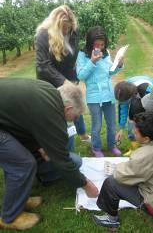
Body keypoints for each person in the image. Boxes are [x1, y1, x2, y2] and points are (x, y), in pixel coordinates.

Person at [0, 78, 98, 230]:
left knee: (19, 159)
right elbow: (63, 161)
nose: (75, 119)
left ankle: (20, 199)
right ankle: (9, 217)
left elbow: (23, 121)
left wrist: (38, 146)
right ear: (68, 109)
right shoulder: (51, 114)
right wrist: (86, 184)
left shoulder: (50, 91)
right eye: (76, 116)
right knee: (23, 164)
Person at [93, 112, 153, 229]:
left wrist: (117, 167)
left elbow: (120, 175)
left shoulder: (142, 157)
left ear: (146, 138)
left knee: (111, 183)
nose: (133, 131)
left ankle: (111, 219)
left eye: (135, 130)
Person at [35, 4, 90, 153]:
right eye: (63, 28)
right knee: (57, 119)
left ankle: (69, 153)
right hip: (50, 84)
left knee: (71, 114)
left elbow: (71, 59)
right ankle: (58, 152)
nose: (66, 31)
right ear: (54, 25)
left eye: (69, 28)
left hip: (68, 80)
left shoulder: (73, 32)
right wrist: (64, 82)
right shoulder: (43, 35)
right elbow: (43, 66)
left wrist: (73, 80)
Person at [76, 26, 123, 157]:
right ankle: (96, 148)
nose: (99, 47)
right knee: (96, 126)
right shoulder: (82, 55)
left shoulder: (106, 53)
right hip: (94, 96)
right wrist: (92, 61)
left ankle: (111, 145)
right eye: (96, 44)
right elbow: (80, 75)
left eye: (102, 44)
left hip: (108, 94)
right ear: (90, 43)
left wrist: (118, 65)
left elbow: (110, 72)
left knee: (111, 124)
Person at [114, 76, 153, 141]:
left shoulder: (148, 91)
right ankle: (133, 141)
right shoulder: (123, 89)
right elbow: (123, 110)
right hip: (137, 94)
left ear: (131, 96)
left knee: (147, 121)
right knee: (133, 113)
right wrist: (121, 128)